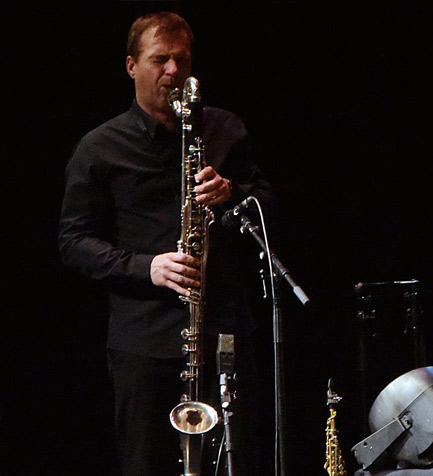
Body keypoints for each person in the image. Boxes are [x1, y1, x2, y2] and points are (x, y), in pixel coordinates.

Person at [58, 11, 274, 476]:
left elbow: (265, 204)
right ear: (132, 66)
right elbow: (73, 242)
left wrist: (231, 193)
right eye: (160, 60)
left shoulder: (224, 129)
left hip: (224, 333)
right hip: (145, 343)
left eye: (182, 60)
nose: (174, 71)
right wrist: (148, 267)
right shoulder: (100, 147)